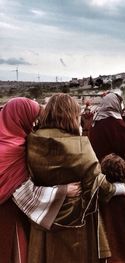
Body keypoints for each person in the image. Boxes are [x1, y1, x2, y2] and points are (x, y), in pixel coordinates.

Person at [26, 93, 125, 263]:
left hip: (42, 217)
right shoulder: (79, 145)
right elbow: (95, 182)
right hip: (74, 222)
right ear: (71, 115)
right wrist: (120, 188)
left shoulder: (31, 141)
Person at [0, 97, 80, 263]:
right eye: (33, 119)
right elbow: (21, 190)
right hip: (8, 216)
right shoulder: (16, 148)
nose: (35, 124)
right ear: (21, 118)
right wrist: (62, 191)